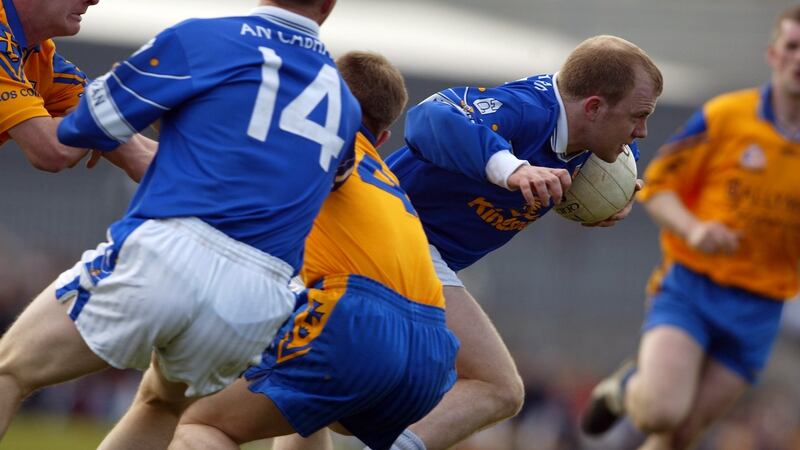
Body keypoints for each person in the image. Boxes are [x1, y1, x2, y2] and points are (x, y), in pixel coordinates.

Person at [0, 1, 361, 449]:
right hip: (259, 295)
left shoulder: (205, 39)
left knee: (10, 367)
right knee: (162, 405)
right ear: (328, 5)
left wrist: (125, 112)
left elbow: (67, 140)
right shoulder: (344, 101)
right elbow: (332, 179)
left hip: (174, 252)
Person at [372, 34, 662, 450]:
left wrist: (597, 206)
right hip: (397, 232)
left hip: (406, 248)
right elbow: (429, 118)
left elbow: (568, 181)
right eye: (638, 116)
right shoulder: (528, 109)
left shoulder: (589, 144)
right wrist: (510, 168)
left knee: (339, 399)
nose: (643, 131)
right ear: (595, 107)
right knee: (500, 388)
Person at [169, 51, 459, 450]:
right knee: (304, 413)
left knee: (201, 425)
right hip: (431, 347)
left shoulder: (314, 134)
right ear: (383, 137)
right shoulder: (389, 179)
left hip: (357, 319)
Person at [580, 6, 800, 449]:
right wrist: (696, 230)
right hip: (694, 287)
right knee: (662, 410)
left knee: (680, 435)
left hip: (761, 308)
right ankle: (625, 389)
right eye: (793, 47)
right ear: (773, 54)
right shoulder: (727, 117)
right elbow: (659, 187)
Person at [0, 0, 151, 177]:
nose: (94, 1)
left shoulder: (40, 57)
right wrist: (94, 121)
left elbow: (139, 157)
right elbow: (52, 152)